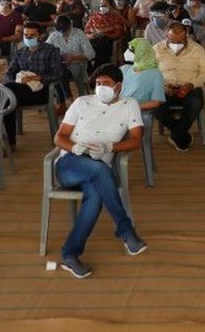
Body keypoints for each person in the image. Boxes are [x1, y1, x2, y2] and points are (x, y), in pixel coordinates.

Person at [51, 64, 147, 278]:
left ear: (118, 86)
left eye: (106, 84)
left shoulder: (129, 104)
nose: (101, 87)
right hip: (70, 164)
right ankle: (125, 231)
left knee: (95, 196)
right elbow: (60, 137)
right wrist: (73, 147)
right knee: (102, 171)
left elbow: (136, 141)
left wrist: (109, 147)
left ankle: (69, 254)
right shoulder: (81, 102)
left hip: (98, 162)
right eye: (97, 84)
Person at [1, 22, 66, 148]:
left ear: (41, 36)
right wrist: (16, 79)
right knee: (7, 97)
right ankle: (9, 141)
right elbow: (10, 71)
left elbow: (58, 74)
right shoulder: (21, 51)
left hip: (40, 92)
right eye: (26, 35)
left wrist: (37, 77)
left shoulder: (50, 51)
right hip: (19, 89)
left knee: (7, 92)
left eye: (32, 35)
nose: (28, 38)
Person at [153, 23, 205, 151]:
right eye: (172, 40)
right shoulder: (156, 50)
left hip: (190, 87)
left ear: (186, 37)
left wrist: (192, 84)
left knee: (196, 102)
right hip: (165, 88)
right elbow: (149, 73)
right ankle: (180, 134)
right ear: (166, 36)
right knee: (154, 104)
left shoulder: (197, 50)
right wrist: (162, 86)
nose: (176, 44)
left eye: (180, 41)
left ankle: (176, 134)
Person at [47, 15, 96, 98]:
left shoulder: (78, 34)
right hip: (61, 64)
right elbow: (46, 50)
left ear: (70, 25)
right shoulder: (54, 35)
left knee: (59, 73)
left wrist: (73, 58)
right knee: (56, 72)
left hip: (77, 64)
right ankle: (64, 99)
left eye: (65, 30)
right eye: (60, 31)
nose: (62, 33)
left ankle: (66, 99)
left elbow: (91, 54)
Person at [119, 38, 166, 112]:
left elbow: (156, 102)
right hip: (118, 108)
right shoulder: (124, 69)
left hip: (136, 111)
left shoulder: (155, 74)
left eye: (132, 51)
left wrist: (131, 107)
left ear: (141, 52)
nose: (127, 52)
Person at [84, 0, 128, 71]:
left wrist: (106, 35)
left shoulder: (115, 17)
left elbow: (118, 33)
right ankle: (92, 69)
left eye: (105, 5)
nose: (102, 7)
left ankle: (97, 70)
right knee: (85, 48)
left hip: (109, 40)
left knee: (102, 46)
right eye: (101, 5)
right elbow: (87, 31)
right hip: (94, 39)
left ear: (111, 6)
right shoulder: (94, 17)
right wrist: (91, 36)